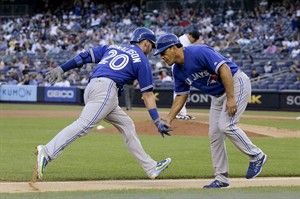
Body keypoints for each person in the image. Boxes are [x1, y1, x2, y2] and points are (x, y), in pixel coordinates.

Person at [35, 27, 172, 181]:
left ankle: (151, 167)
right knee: (84, 125)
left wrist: (62, 68)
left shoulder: (113, 47)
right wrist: (156, 120)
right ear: (146, 42)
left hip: (93, 87)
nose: (151, 49)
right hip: (106, 90)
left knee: (127, 125)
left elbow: (84, 57)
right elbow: (147, 95)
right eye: (152, 45)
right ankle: (47, 152)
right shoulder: (141, 59)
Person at [153, 33, 267, 188]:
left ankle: (257, 155)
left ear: (173, 48)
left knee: (226, 125)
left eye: (163, 52)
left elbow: (224, 69)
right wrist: (168, 119)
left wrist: (231, 98)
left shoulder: (197, 52)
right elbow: (181, 95)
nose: (161, 57)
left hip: (235, 83)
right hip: (217, 95)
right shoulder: (177, 71)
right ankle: (222, 178)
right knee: (214, 134)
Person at [174, 30, 200, 120]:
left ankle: (182, 112)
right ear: (190, 35)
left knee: (184, 90)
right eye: (194, 39)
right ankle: (179, 113)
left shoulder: (185, 40)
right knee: (180, 90)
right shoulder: (183, 40)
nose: (194, 41)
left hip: (181, 67)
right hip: (179, 67)